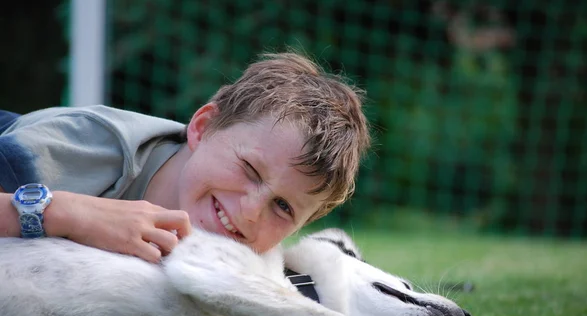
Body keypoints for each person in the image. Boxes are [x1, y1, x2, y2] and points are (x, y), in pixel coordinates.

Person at [0, 52, 371, 262]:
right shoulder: (85, 147)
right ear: (203, 126)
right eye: (250, 169)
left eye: (283, 208)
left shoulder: (245, 254)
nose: (250, 212)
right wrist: (71, 214)